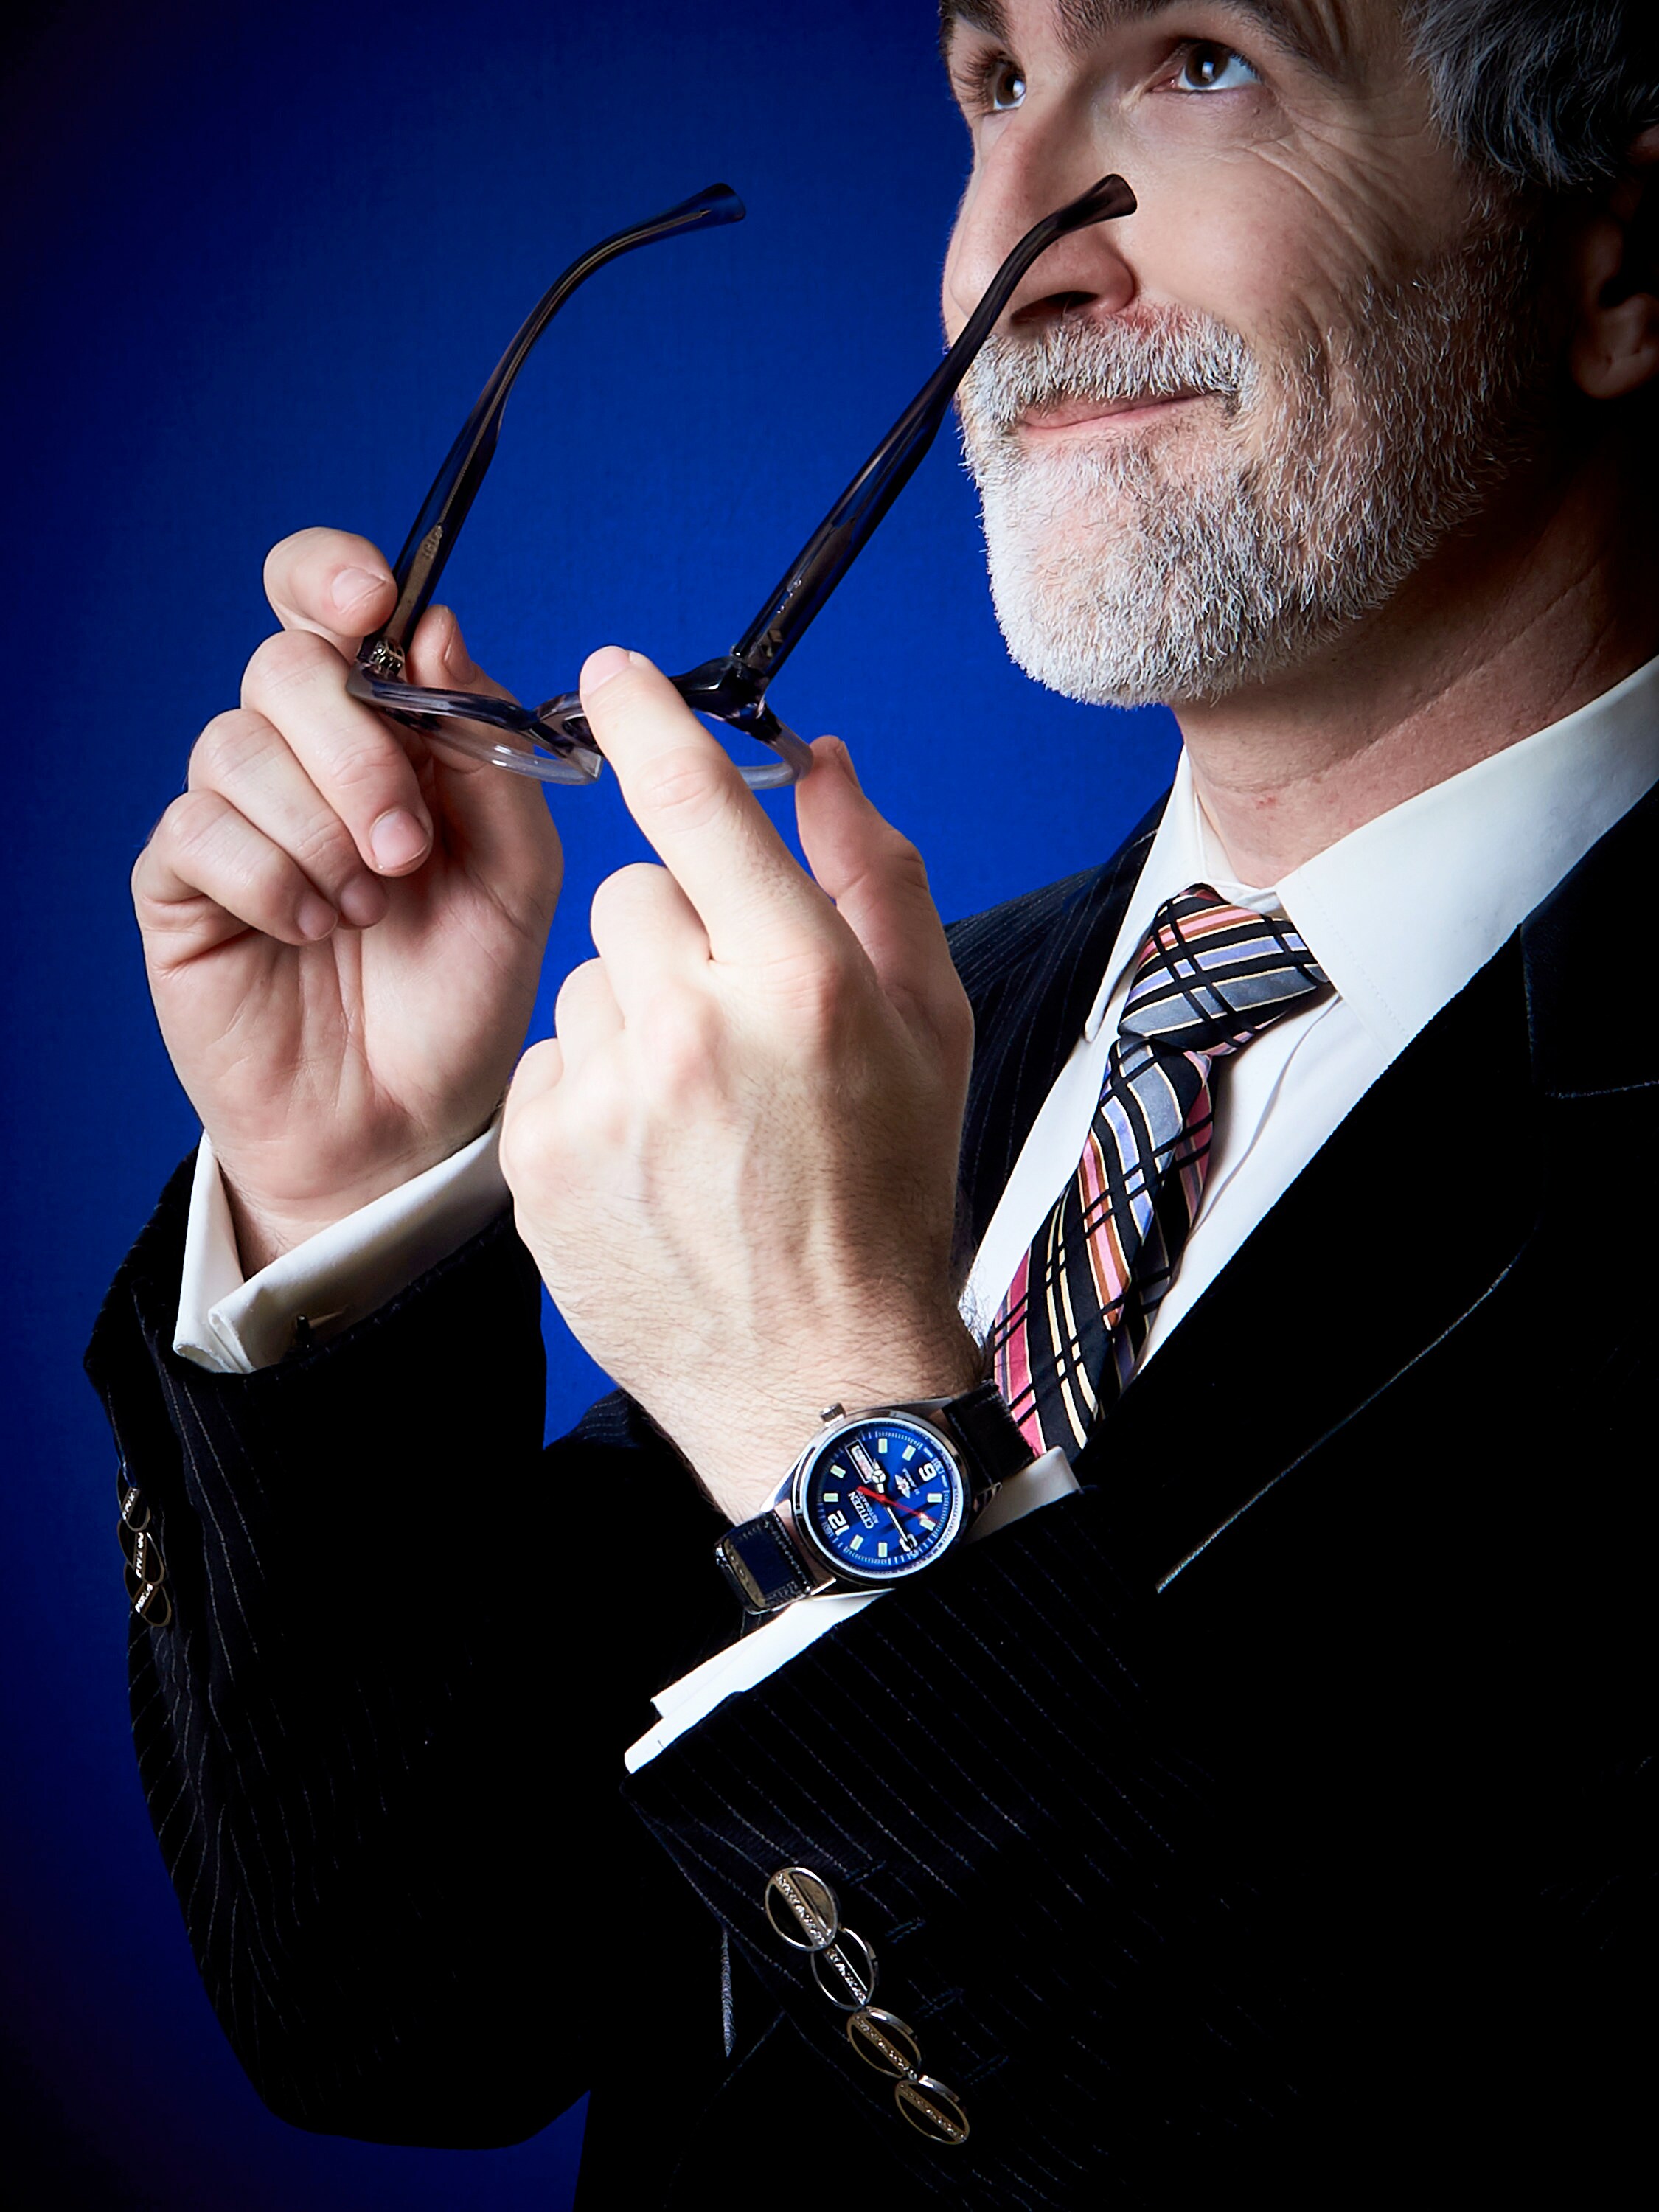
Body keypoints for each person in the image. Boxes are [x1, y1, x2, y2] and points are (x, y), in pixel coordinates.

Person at [88, 1, 1657, 2202]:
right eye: (992, 85)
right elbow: (409, 2008)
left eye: (1201, 60)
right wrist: (340, 1181)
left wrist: (844, 1431)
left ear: (1618, 265)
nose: (1018, 250)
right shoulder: (918, 1047)